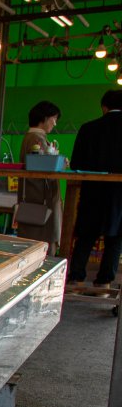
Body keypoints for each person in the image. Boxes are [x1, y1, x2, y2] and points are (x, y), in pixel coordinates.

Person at [67, 89, 122, 291]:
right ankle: (104, 284)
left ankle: (76, 279)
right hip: (119, 196)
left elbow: (75, 164)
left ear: (104, 107)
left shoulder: (88, 129)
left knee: (86, 236)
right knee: (115, 239)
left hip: (93, 192)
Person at [16, 100, 62, 249]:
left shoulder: (33, 138)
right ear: (44, 118)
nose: (54, 123)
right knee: (42, 246)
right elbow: (43, 167)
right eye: (53, 119)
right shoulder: (36, 139)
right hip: (40, 202)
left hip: (35, 201)